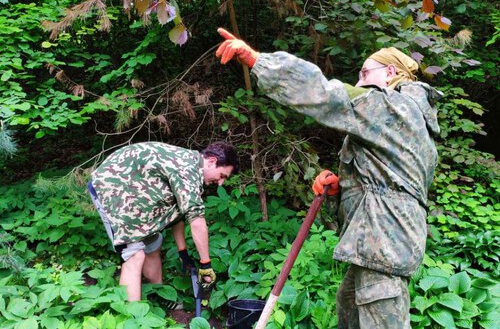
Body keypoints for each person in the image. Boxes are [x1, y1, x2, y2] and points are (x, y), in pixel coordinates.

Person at [216, 28, 442, 329]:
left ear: (391, 72)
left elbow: (326, 94)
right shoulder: (410, 121)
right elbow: (393, 185)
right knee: (348, 309)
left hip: (383, 247)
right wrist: (342, 189)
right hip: (380, 247)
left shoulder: (393, 108)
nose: (360, 82)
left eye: (365, 73)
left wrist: (258, 61)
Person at [87, 141, 239, 302]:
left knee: (153, 245)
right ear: (212, 161)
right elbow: (196, 220)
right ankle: (131, 317)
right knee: (134, 255)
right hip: (113, 188)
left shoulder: (192, 166)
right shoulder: (186, 169)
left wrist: (183, 252)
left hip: (136, 190)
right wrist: (206, 265)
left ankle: (159, 297)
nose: (221, 182)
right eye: (222, 176)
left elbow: (180, 212)